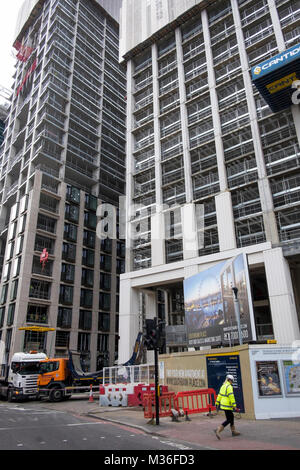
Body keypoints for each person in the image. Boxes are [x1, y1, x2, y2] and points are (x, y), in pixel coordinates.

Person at [214, 374, 240, 439]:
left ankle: (233, 431)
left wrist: (217, 403)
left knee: (231, 417)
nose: (232, 382)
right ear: (229, 380)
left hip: (223, 405)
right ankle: (218, 430)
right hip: (227, 405)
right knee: (229, 419)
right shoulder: (229, 386)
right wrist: (234, 406)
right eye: (232, 381)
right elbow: (231, 397)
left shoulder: (223, 386)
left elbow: (219, 395)